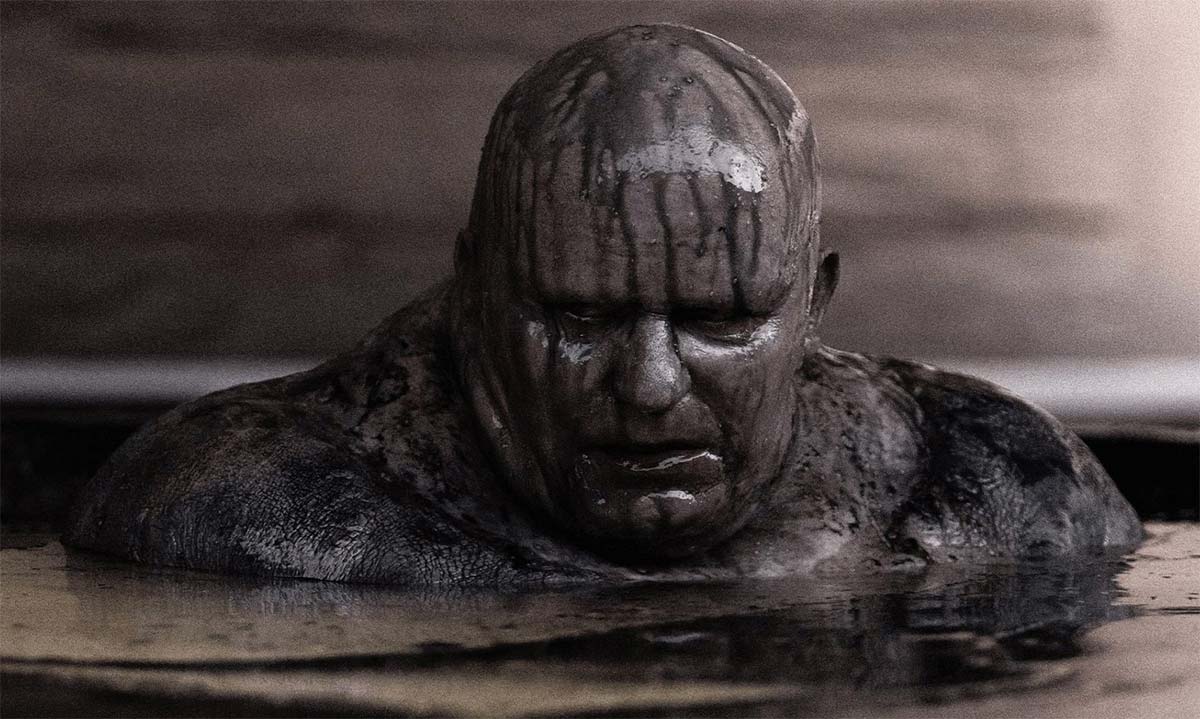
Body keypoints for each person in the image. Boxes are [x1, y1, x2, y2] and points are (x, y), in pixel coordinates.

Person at [65, 25, 1141, 585]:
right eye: (579, 319)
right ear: (472, 298)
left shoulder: (993, 489)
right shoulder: (246, 509)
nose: (652, 385)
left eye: (721, 321)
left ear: (812, 305)